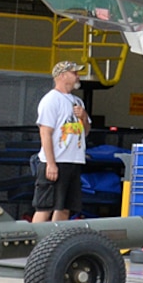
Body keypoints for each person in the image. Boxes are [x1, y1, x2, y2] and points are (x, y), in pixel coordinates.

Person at [32, 62, 88, 223]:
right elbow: (45, 133)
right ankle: (34, 244)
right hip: (56, 161)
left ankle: (56, 243)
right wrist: (51, 163)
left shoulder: (78, 101)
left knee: (64, 208)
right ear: (62, 76)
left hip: (73, 160)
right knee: (45, 207)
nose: (78, 76)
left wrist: (83, 117)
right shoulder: (51, 100)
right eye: (74, 72)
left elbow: (85, 132)